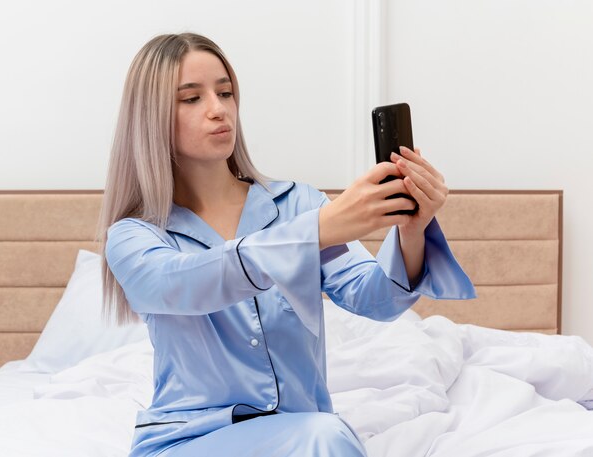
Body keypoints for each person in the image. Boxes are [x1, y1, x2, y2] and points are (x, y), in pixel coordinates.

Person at [98, 32, 475, 457]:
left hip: (303, 434)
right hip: (187, 443)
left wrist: (411, 227)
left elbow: (376, 301)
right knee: (327, 436)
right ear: (150, 116)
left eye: (225, 92)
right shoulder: (134, 236)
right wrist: (314, 232)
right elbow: (187, 283)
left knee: (324, 434)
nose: (219, 109)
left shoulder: (298, 204)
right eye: (191, 99)